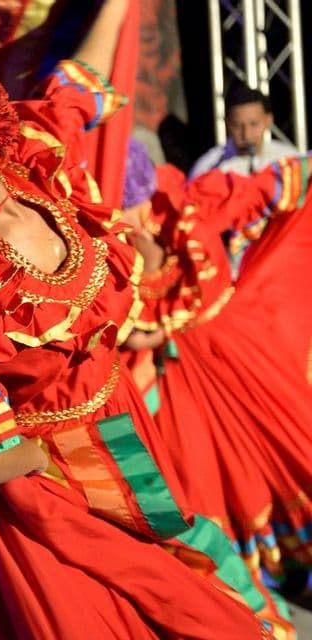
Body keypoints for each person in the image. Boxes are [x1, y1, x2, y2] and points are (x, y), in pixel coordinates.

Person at [0, 6, 270, 638]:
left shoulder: (40, 164)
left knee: (168, 603)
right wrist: (62, 461)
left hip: (119, 437)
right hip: (29, 495)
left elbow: (76, 81)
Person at [127, 139, 312, 638]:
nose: (130, 217)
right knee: (212, 489)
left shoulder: (193, 200)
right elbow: (128, 329)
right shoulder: (103, 252)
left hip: (241, 350)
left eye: (131, 203)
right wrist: (150, 333)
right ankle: (257, 603)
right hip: (184, 384)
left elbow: (271, 187)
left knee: (292, 453)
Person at [188, 83, 301, 179]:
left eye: (254, 124)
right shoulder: (209, 167)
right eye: (237, 126)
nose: (246, 135)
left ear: (268, 120)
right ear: (227, 123)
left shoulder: (290, 160)